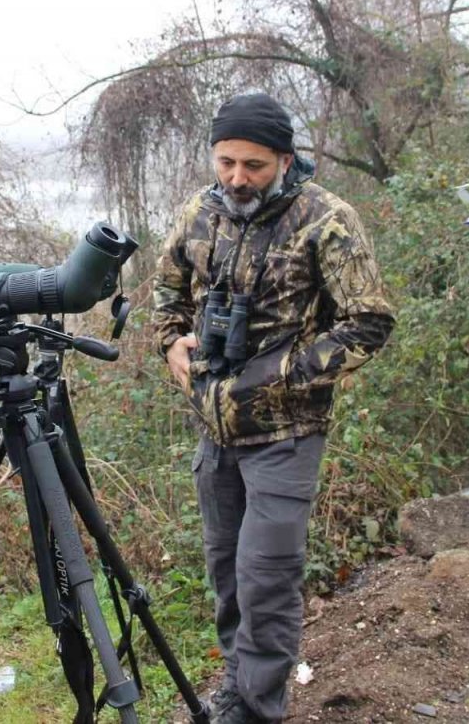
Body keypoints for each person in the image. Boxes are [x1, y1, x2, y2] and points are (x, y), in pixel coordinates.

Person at [154, 93, 395, 723]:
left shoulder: (327, 220)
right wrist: (170, 342)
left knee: (267, 574)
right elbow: (165, 291)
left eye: (253, 165)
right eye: (226, 161)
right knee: (227, 573)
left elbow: (369, 324)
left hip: (287, 433)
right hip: (215, 431)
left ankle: (258, 707)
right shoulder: (200, 213)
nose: (236, 178)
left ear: (285, 160)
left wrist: (277, 377)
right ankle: (239, 683)